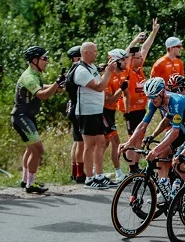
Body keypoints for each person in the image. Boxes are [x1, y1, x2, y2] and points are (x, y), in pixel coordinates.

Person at [12, 46, 64, 193]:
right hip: (21, 116)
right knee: (38, 149)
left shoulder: (34, 74)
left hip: (26, 116)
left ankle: (25, 180)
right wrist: (56, 84)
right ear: (35, 60)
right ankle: (31, 184)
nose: (47, 61)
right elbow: (42, 95)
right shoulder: (29, 76)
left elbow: (41, 87)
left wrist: (56, 87)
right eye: (44, 58)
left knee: (31, 148)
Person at [75, 42, 115, 189]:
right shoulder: (81, 70)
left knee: (101, 142)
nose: (97, 54)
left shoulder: (91, 67)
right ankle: (89, 178)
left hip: (97, 111)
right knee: (89, 144)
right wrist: (109, 72)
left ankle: (99, 175)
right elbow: (99, 87)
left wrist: (105, 70)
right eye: (94, 51)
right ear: (86, 53)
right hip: (87, 112)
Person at [122, 19, 159, 135]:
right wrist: (135, 41)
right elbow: (124, 56)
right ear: (131, 60)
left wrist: (153, 32)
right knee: (133, 138)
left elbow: (145, 48)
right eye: (138, 58)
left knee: (140, 136)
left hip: (141, 109)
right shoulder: (127, 70)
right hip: (132, 110)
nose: (142, 58)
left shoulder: (139, 69)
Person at [102, 49, 129, 182]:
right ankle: (118, 173)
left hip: (111, 112)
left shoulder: (121, 74)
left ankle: (96, 170)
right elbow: (110, 101)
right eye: (122, 60)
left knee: (105, 143)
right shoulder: (107, 77)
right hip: (104, 112)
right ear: (115, 62)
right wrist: (121, 89)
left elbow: (125, 94)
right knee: (115, 142)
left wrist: (127, 111)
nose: (125, 62)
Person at [64, 45, 85, 183]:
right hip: (77, 108)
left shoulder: (71, 70)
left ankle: (74, 171)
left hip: (71, 107)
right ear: (77, 58)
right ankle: (79, 173)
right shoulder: (78, 71)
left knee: (76, 141)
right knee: (81, 142)